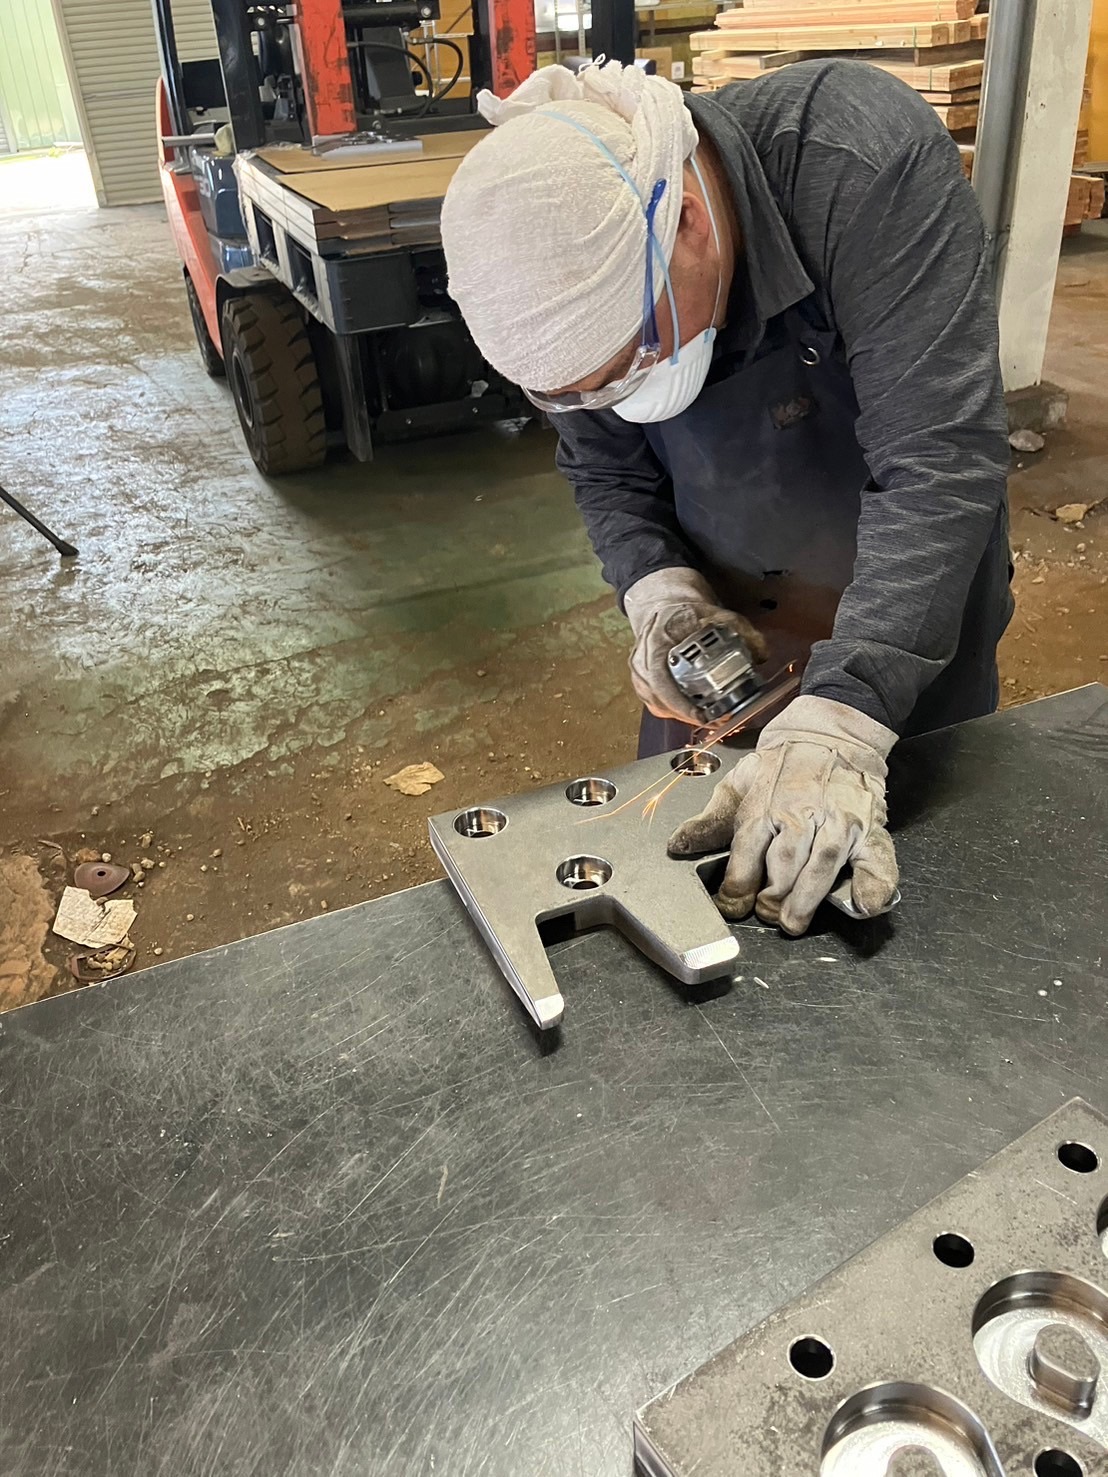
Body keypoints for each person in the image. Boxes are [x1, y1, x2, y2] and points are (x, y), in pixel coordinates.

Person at [440, 59, 1013, 937]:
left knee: (904, 913)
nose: (622, 400)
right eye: (586, 391)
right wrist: (661, 594)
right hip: (735, 627)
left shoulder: (858, 164)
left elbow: (938, 459)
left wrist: (846, 719)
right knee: (685, 874)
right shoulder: (563, 287)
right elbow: (607, 472)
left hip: (905, 613)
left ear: (690, 222)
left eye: (631, 362)